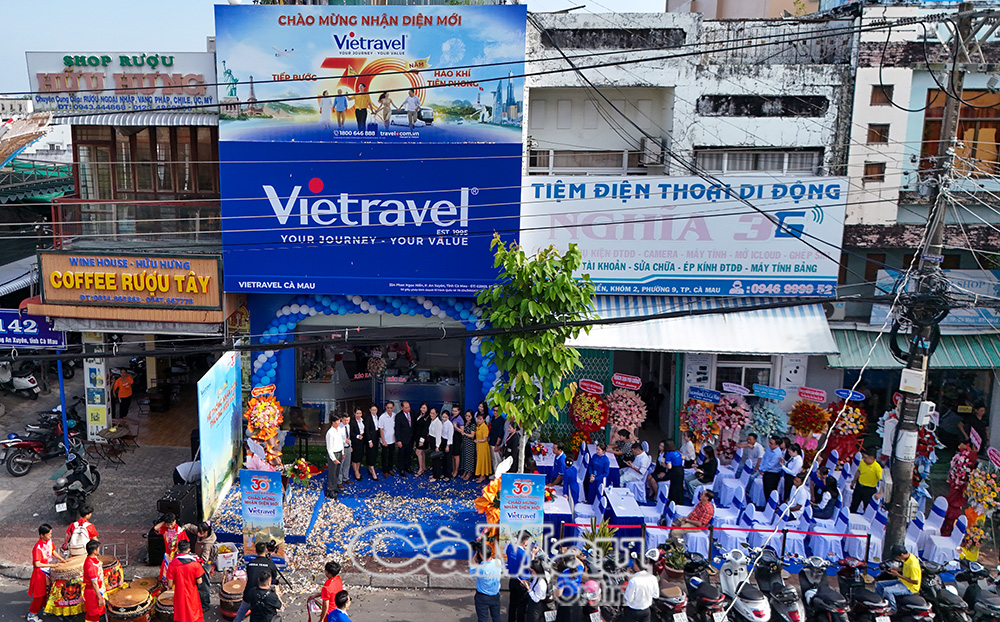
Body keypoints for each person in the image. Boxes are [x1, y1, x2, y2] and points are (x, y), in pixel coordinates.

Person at [233, 541, 280, 622]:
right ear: (266, 550)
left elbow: (250, 577)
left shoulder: (250, 564)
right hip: (264, 597)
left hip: (249, 594)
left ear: (255, 551)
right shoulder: (270, 564)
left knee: (241, 613)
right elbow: (273, 579)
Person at [27, 523, 64, 622]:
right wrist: (53, 565)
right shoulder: (38, 547)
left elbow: (53, 551)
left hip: (46, 571)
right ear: (41, 535)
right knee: (39, 595)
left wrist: (62, 560)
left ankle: (45, 608)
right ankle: (32, 614)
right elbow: (37, 564)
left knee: (47, 592)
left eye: (51, 534)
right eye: (48, 534)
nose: (50, 536)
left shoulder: (49, 542)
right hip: (39, 574)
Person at [166, 539, 206, 622]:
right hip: (192, 593)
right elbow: (199, 581)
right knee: (194, 613)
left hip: (179, 594)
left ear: (178, 550)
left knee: (182, 614)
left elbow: (170, 584)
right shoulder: (195, 564)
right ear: (188, 550)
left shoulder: (172, 564)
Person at [878, 544, 922, 609]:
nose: (898, 558)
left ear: (902, 555)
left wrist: (898, 575)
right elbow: (906, 569)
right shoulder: (909, 557)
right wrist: (896, 569)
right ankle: (879, 602)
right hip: (902, 581)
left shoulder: (913, 565)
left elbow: (915, 582)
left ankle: (893, 609)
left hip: (910, 588)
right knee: (878, 584)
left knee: (887, 591)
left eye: (898, 557)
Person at [622, 549, 660, 621]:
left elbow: (629, 599)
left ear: (637, 565)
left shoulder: (633, 581)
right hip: (646, 611)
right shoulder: (653, 578)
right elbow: (656, 595)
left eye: (634, 563)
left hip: (632, 612)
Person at [470, 539, 503, 622]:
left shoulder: (480, 568)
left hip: (482, 597)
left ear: (481, 555)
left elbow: (472, 569)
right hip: (495, 596)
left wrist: (476, 554)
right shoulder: (498, 563)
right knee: (496, 617)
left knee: (483, 619)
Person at [506, 532, 534, 622]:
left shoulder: (510, 547)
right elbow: (531, 567)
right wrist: (532, 554)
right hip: (523, 583)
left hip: (513, 580)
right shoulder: (525, 555)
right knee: (521, 606)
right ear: (525, 542)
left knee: (512, 604)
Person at [153, 512, 188, 582]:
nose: (169, 526)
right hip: (168, 554)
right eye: (167, 524)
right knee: (166, 571)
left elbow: (185, 542)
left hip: (176, 554)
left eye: (171, 524)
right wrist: (164, 522)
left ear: (175, 521)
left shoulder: (179, 530)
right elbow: (156, 528)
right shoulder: (164, 528)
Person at [554, 549, 585, 622]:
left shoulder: (562, 576)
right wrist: (575, 556)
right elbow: (582, 564)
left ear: (565, 563)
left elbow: (558, 594)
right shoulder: (579, 570)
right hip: (577, 599)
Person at [349, 407, 378, 481]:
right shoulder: (352, 421)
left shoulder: (363, 420)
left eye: (360, 413)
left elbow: (366, 430)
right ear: (354, 413)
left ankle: (358, 470)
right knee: (355, 457)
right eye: (357, 413)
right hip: (355, 441)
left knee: (359, 456)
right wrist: (357, 436)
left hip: (362, 441)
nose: (359, 415)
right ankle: (356, 472)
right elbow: (350, 432)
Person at [850, 448, 883, 513]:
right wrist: (853, 482)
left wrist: (880, 493)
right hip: (859, 486)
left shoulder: (877, 468)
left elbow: (882, 481)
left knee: (867, 507)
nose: (863, 459)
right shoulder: (862, 462)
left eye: (865, 458)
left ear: (872, 458)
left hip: (869, 490)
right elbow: (858, 472)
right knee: (853, 505)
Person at [83, 540, 105, 622]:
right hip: (93, 593)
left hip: (94, 591)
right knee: (94, 615)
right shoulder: (90, 565)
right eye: (98, 548)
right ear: (94, 551)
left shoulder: (91, 560)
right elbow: (94, 583)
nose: (99, 550)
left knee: (91, 614)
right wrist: (99, 598)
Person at [759, 435, 784, 507]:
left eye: (771, 443)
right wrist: (760, 467)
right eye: (769, 442)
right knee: (766, 490)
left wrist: (762, 469)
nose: (769, 444)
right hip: (766, 471)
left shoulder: (777, 454)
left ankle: (771, 507)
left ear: (777, 445)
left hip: (773, 475)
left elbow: (770, 465)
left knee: (770, 491)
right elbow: (764, 457)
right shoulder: (769, 448)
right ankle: (767, 505)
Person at [524, 557, 550, 622]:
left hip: (537, 606)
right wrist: (528, 584)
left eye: (531, 571)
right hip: (533, 603)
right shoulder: (536, 577)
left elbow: (536, 599)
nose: (530, 573)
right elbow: (533, 586)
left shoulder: (541, 583)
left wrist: (528, 589)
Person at [326, 416, 345, 497]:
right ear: (333, 422)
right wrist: (333, 458)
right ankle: (330, 489)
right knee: (332, 472)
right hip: (334, 454)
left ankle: (334, 487)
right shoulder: (330, 433)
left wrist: (342, 453)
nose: (339, 423)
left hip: (339, 452)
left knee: (337, 471)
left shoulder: (339, 430)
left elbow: (341, 442)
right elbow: (329, 448)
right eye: (337, 421)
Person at [395, 400, 415, 477]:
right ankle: (401, 468)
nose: (408, 409)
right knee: (402, 454)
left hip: (410, 438)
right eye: (406, 408)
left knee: (409, 453)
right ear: (402, 408)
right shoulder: (399, 416)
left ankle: (407, 467)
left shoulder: (412, 413)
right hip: (403, 439)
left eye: (409, 407)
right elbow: (397, 429)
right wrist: (398, 440)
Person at [378, 402, 397, 477]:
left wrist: (396, 438)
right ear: (386, 407)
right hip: (385, 440)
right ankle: (385, 470)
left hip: (392, 440)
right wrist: (383, 441)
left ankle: (390, 469)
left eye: (391, 408)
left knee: (391, 455)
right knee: (384, 456)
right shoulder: (382, 417)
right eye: (388, 408)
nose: (389, 409)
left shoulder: (395, 416)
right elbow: (381, 429)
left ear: (393, 408)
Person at [413, 403, 432, 477]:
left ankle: (420, 469)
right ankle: (423, 467)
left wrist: (422, 440)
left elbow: (425, 429)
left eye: (424, 408)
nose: (422, 409)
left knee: (418, 452)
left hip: (423, 438)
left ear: (427, 408)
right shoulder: (419, 414)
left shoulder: (428, 417)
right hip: (417, 437)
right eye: (421, 407)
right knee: (422, 452)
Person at [429, 409, 447, 482]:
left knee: (436, 460)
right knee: (434, 459)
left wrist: (437, 446)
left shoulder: (438, 423)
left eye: (433, 413)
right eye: (431, 413)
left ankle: (436, 476)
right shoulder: (432, 421)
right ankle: (434, 473)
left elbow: (438, 435)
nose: (431, 414)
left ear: (436, 414)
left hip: (436, 441)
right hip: (432, 440)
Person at [475, 412, 493, 483]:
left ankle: (483, 475)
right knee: (480, 460)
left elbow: (484, 439)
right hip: (479, 446)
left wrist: (477, 440)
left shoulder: (484, 427)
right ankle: (481, 474)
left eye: (480, 419)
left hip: (483, 446)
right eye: (478, 419)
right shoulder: (478, 426)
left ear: (484, 420)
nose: (479, 420)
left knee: (483, 461)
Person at [460, 409, 477, 480]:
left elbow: (472, 435)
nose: (467, 417)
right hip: (464, 442)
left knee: (469, 458)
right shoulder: (465, 423)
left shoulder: (472, 425)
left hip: (470, 444)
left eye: (469, 416)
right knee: (464, 457)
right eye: (466, 415)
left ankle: (469, 472)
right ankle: (465, 471)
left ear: (472, 417)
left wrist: (465, 434)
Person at [338, 413, 352, 488]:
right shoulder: (339, 427)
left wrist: (350, 445)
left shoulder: (348, 426)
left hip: (348, 446)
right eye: (345, 420)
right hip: (341, 447)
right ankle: (339, 481)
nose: (346, 422)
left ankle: (345, 478)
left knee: (347, 463)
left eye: (348, 420)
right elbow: (338, 438)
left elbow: (348, 436)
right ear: (342, 419)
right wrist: (344, 441)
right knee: (341, 464)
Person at [451, 405, 465, 479]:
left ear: (459, 411)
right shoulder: (451, 417)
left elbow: (462, 431)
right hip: (451, 436)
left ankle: (456, 470)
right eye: (453, 410)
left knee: (456, 455)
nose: (454, 412)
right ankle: (453, 469)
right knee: (452, 454)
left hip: (457, 436)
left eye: (456, 411)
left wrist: (456, 427)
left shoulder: (460, 419)